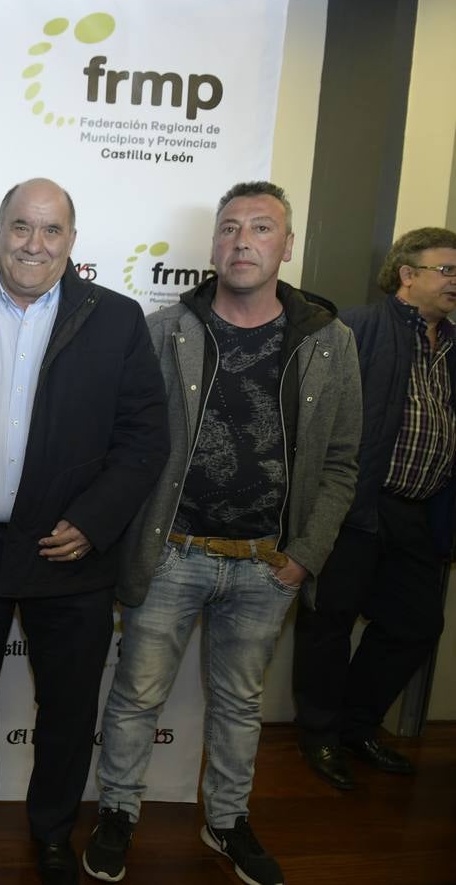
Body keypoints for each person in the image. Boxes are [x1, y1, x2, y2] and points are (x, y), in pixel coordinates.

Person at [84, 182, 362, 885]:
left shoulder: (330, 342)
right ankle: (117, 811)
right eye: (230, 228)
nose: (243, 241)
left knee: (240, 704)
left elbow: (340, 462)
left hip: (267, 566)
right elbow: (127, 441)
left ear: (286, 246)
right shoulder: (164, 330)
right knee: (137, 697)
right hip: (172, 553)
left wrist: (306, 555)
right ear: (212, 245)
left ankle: (227, 821)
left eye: (261, 228)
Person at [0, 178, 168, 884]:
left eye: (50, 231)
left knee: (69, 707)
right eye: (21, 227)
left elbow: (144, 438)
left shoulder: (117, 319)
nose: (33, 244)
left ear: (72, 242)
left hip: (68, 553)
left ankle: (52, 829)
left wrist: (94, 523)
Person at [293, 227, 456, 790]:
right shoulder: (356, 329)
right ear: (407, 274)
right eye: (446, 270)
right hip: (356, 506)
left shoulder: (453, 344)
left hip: (418, 512)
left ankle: (356, 727)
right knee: (329, 622)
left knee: (416, 624)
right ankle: (318, 735)